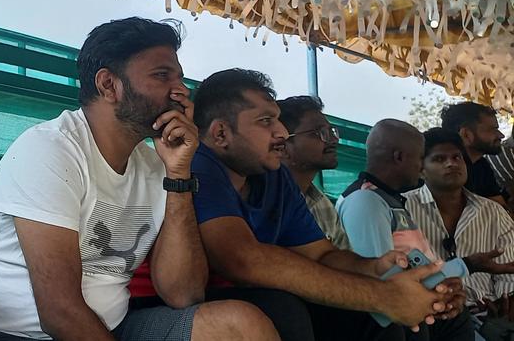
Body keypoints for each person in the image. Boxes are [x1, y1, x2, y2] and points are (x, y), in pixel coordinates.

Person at [0, 18, 277, 341]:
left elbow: (183, 293)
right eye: (161, 76)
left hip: (113, 328)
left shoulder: (155, 166)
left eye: (180, 78)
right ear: (108, 86)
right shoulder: (49, 150)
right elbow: (59, 312)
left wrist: (179, 174)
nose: (182, 91)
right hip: (15, 334)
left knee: (242, 326)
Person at [174, 69, 448, 341]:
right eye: (266, 120)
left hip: (263, 297)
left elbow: (320, 255)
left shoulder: (274, 176)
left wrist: (374, 269)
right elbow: (242, 260)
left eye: (278, 120)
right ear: (220, 133)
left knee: (375, 318)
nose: (281, 132)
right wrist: (382, 296)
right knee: (283, 310)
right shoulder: (198, 165)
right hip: (196, 307)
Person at [336, 120, 472, 340]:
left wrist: (444, 287)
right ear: (399, 157)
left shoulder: (388, 199)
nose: (422, 166)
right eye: (420, 158)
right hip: (395, 318)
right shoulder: (365, 201)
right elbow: (382, 279)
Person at [403, 129, 514, 324]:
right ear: (421, 170)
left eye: (457, 157)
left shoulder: (493, 212)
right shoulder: (402, 209)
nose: (451, 163)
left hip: (490, 317)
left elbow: (508, 271)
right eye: (439, 159)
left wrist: (502, 304)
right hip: (428, 316)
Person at [278, 95, 351, 250]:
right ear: (283, 147)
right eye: (319, 132)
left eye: (331, 131)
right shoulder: (266, 203)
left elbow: (340, 258)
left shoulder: (321, 203)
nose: (333, 140)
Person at [440, 102, 507, 207]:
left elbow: (500, 206)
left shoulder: (481, 165)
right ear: (466, 135)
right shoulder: (446, 174)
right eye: (493, 130)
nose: (501, 135)